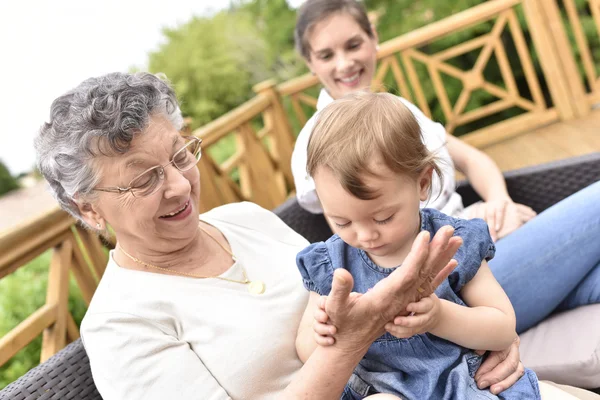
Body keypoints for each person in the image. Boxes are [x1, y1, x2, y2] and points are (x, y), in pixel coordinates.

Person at [34, 71, 463, 400]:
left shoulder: (245, 219)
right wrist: (350, 343)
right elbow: (351, 330)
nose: (181, 186)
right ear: (88, 208)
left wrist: (480, 347)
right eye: (146, 179)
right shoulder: (121, 325)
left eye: (180, 154)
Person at [290, 0, 600, 394]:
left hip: (472, 247)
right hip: (446, 282)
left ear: (373, 39)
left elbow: (470, 158)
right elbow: (360, 240)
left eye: (353, 45)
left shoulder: (394, 112)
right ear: (310, 64)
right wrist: (327, 329)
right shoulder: (321, 148)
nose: (344, 64)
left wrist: (498, 202)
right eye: (326, 54)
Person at [296, 91, 541, 399]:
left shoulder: (452, 243)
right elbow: (306, 349)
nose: (365, 235)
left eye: (383, 217)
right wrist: (324, 332)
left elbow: (503, 327)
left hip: (462, 384)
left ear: (422, 183)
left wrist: (440, 317)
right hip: (381, 391)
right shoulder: (330, 264)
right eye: (342, 222)